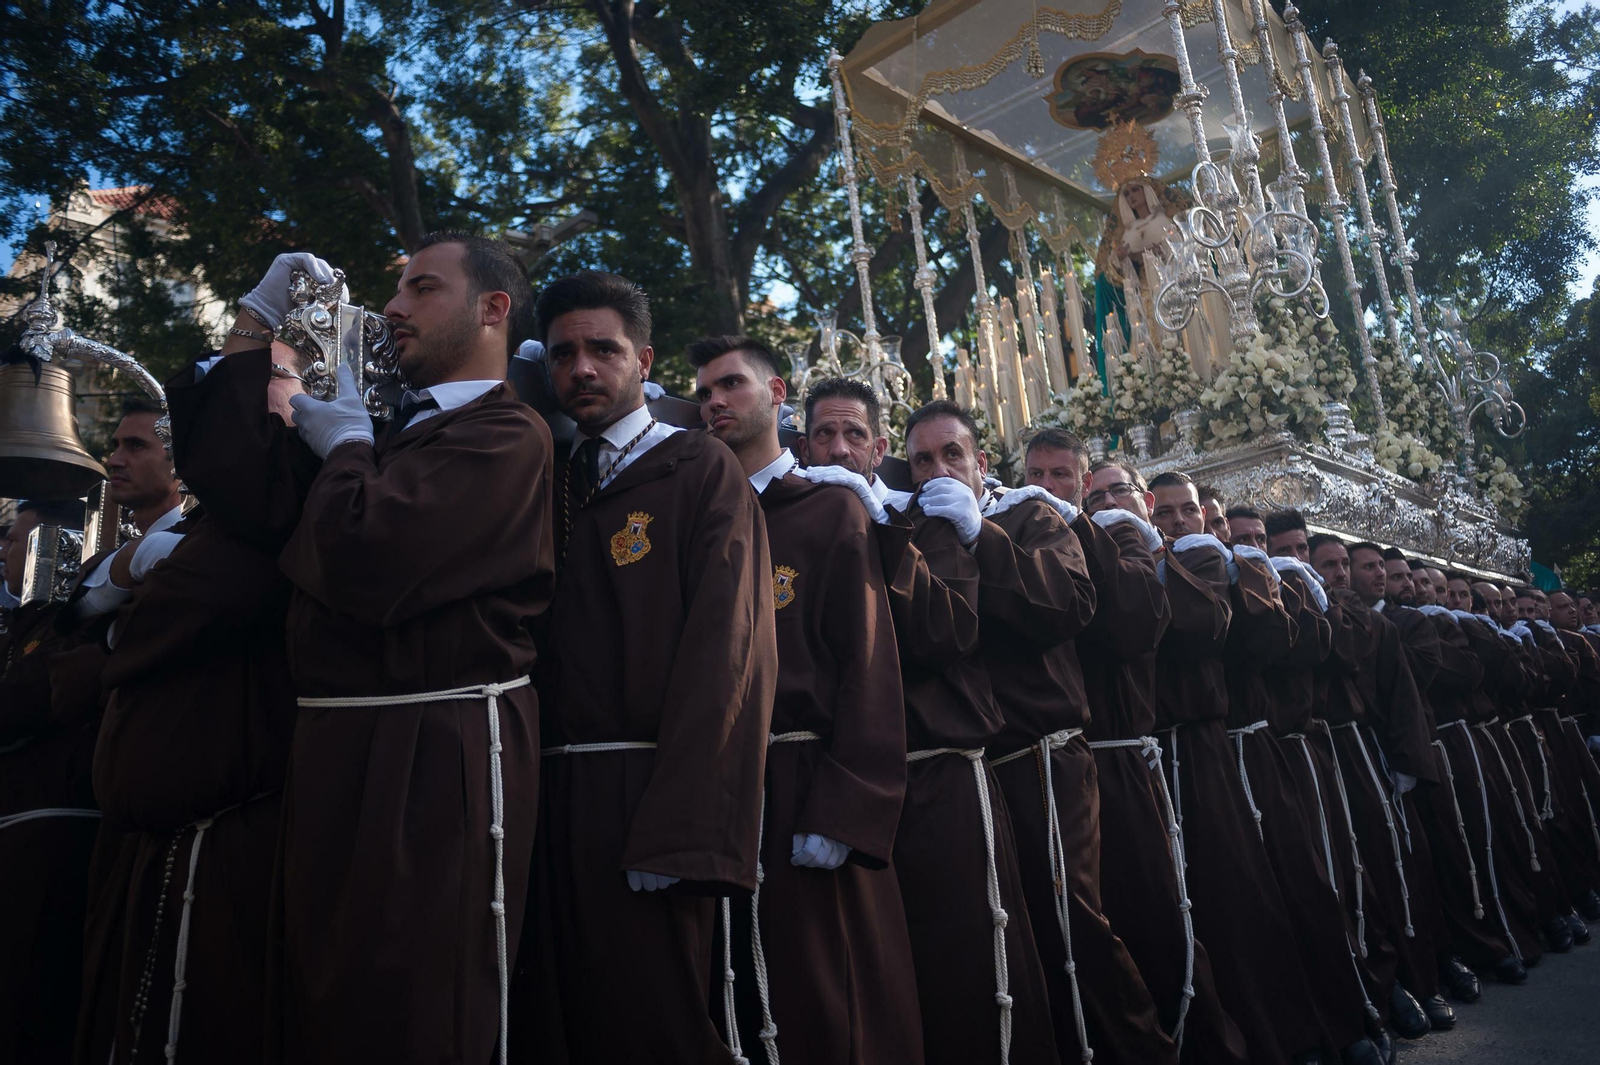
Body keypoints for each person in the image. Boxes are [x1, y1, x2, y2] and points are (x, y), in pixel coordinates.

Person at [168, 236, 554, 1065]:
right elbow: (244, 486)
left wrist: (345, 450)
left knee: (411, 1001)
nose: (392, 308)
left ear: (493, 309)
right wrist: (257, 319)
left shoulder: (506, 434)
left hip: (432, 754)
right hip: (331, 751)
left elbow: (367, 559)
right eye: (394, 290)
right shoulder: (388, 432)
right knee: (320, 997)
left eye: (422, 288)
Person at [528, 273, 777, 1064]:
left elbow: (726, 652)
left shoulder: (697, 469)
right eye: (564, 353)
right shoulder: (552, 474)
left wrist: (685, 830)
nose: (582, 369)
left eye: (603, 349)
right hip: (548, 798)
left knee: (659, 1025)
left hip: (649, 796)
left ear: (644, 359)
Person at [690, 335, 920, 1064]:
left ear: (777, 393)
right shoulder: (698, 508)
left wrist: (847, 802)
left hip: (806, 779)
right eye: (703, 392)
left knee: (832, 992)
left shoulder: (829, 510)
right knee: (743, 992)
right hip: (727, 785)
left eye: (731, 384)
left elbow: (869, 663)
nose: (715, 401)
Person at [77, 347, 310, 1063]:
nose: (117, 457)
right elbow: (74, 618)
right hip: (149, 839)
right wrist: (125, 567)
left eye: (134, 445)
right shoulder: (207, 528)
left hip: (222, 841)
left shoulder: (262, 525)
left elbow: (172, 612)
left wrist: (126, 602)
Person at [874, 401, 1061, 1065]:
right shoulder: (907, 527)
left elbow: (1068, 604)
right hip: (958, 762)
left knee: (1068, 934)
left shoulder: (1028, 515)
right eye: (921, 460)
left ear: (982, 462)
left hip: (1043, 763)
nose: (936, 471)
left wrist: (982, 532)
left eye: (952, 454)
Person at [1003, 426, 1189, 1065]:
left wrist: (1077, 527)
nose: (1046, 487)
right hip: (1051, 760)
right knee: (1065, 922)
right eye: (1036, 475)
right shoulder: (1017, 535)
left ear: (1082, 485)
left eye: (1061, 476)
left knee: (1147, 914)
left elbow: (1137, 623)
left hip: (1117, 757)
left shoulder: (1120, 539)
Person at [1143, 472, 1324, 1064]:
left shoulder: (1225, 571)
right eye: (1161, 511)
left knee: (1248, 895)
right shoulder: (1138, 565)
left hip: (1218, 753)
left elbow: (1270, 644)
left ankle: (1293, 1030)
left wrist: (1251, 573)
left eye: (1188, 511)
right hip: (1147, 760)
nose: (1175, 522)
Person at [1081, 461, 1249, 1065]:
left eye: (1117, 491)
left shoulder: (1194, 556)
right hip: (1121, 758)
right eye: (1093, 495)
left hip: (1191, 754)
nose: (1106, 503)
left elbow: (1195, 624)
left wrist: (1150, 553)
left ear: (1142, 499)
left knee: (1220, 892)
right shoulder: (1087, 549)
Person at [0, 497, 103, 1063]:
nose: (4, 550)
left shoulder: (65, 627)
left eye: (15, 540)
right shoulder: (25, 625)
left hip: (45, 845)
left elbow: (18, 703)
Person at [1344, 542, 1452, 1034]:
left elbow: (1408, 691)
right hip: (1326, 758)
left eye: (1369, 567)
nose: (1379, 578)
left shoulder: (1404, 624)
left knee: (1410, 866)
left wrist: (1406, 761)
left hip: (1383, 756)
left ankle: (1429, 970)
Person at [797, 376, 909, 510]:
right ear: (805, 450)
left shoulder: (915, 512)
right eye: (825, 433)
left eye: (855, 433)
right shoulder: (789, 515)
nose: (839, 450)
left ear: (878, 451)